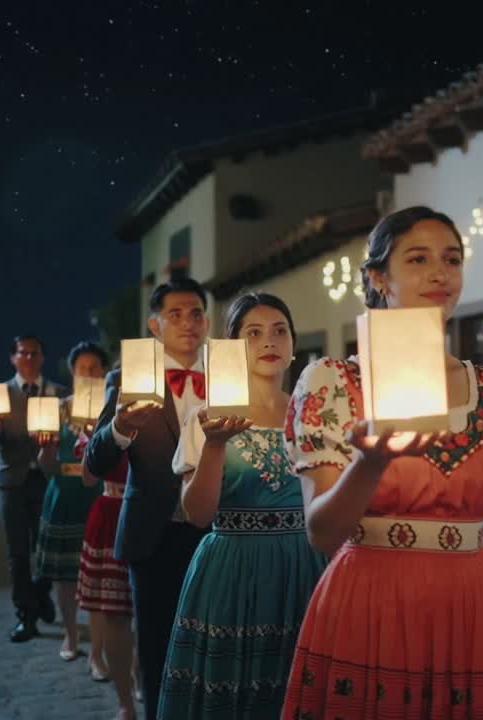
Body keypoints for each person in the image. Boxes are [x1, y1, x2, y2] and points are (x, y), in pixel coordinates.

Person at [280, 207, 483, 719]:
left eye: (451, 260)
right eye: (417, 259)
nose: (439, 273)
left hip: (476, 608)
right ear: (377, 277)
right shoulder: (332, 383)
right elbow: (321, 532)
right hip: (370, 606)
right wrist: (369, 463)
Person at [158, 293, 329, 719]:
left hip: (306, 565)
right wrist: (215, 445)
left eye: (279, 331)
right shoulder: (206, 415)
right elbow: (197, 514)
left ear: (292, 343)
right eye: (253, 333)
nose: (269, 341)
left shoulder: (315, 415)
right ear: (232, 346)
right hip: (234, 570)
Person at [85, 277, 211, 720]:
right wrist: (120, 428)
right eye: (174, 314)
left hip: (212, 533)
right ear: (154, 326)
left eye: (195, 312)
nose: (187, 323)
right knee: (155, 645)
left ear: (207, 321)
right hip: (150, 535)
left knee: (210, 645)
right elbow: (95, 460)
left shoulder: (228, 378)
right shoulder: (128, 379)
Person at [0, 335, 67, 643]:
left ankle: (41, 593)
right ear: (13, 357)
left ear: (42, 358)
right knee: (17, 552)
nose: (28, 358)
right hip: (12, 482)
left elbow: (70, 438)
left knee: (46, 548)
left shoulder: (59, 394)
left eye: (34, 353)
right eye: (23, 353)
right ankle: (25, 617)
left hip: (47, 480)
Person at [35, 342, 109, 661]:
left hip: (99, 494)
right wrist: (45, 449)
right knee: (66, 575)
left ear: (104, 372)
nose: (88, 373)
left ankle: (100, 646)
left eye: (94, 368)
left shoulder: (113, 408)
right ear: (72, 371)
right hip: (64, 493)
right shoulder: (58, 408)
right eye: (82, 368)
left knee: (102, 577)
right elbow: (46, 465)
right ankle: (70, 632)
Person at [77, 359, 140, 719]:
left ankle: (137, 673)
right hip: (110, 510)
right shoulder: (104, 429)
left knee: (138, 607)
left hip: (143, 514)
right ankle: (103, 663)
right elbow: (87, 474)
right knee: (111, 604)